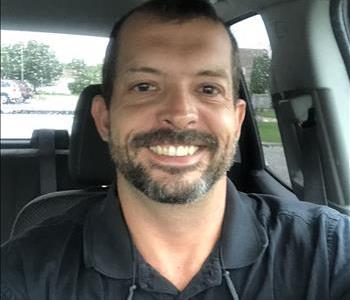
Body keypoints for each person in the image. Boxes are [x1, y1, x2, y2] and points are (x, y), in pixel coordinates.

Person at [1, 0, 350, 299]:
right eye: (145, 86)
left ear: (237, 119)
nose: (180, 114)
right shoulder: (25, 273)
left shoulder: (329, 251)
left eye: (208, 88)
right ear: (104, 120)